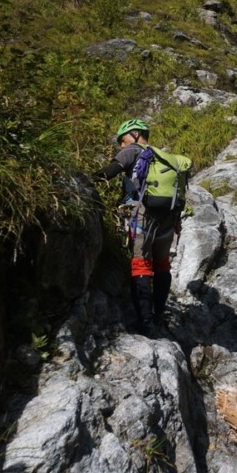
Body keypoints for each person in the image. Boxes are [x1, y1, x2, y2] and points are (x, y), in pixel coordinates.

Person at [94, 118, 180, 335]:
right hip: (168, 218)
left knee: (140, 264)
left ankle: (146, 322)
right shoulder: (165, 156)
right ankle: (159, 313)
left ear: (133, 135)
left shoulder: (132, 150)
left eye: (122, 141)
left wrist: (88, 179)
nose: (121, 146)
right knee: (161, 264)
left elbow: (111, 170)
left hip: (143, 215)